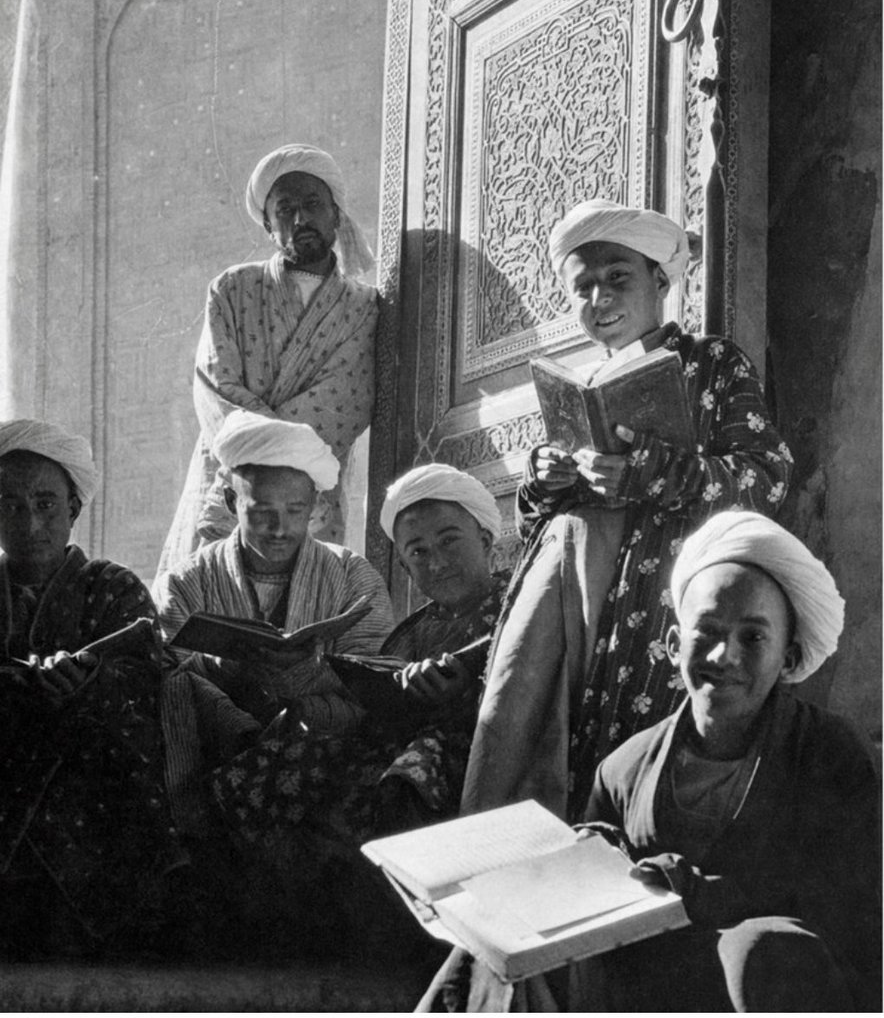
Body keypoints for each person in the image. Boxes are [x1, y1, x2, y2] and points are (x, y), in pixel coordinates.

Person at [420, 511, 880, 1012]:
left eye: (753, 637)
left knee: (764, 948)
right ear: (672, 645)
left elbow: (849, 901)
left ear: (788, 659)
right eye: (706, 631)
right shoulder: (624, 768)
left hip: (763, 980)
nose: (724, 655)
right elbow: (592, 879)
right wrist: (592, 861)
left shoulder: (826, 752)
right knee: (489, 948)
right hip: (646, 981)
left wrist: (694, 890)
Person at [460, 199, 793, 824]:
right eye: (583, 286)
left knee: (634, 767)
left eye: (618, 278)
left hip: (654, 603)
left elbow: (766, 479)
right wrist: (543, 480)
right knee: (547, 754)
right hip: (572, 605)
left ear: (661, 282)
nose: (599, 298)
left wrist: (656, 471)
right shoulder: (574, 391)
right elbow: (537, 532)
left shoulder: (712, 364)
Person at [209, 463, 511, 851]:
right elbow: (375, 701)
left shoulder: (519, 598)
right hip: (388, 744)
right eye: (418, 551)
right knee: (269, 765)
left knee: (406, 778)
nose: (435, 562)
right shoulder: (413, 631)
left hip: (476, 743)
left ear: (485, 540)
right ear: (404, 565)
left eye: (449, 541)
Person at [153, 410, 394, 838]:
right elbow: (165, 684)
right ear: (231, 503)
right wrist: (223, 670)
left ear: (317, 507)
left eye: (295, 510)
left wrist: (304, 687)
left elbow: (379, 688)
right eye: (262, 511)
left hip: (325, 765)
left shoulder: (354, 579)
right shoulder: (186, 582)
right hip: (213, 760)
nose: (279, 528)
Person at [0, 419, 180, 955]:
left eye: (46, 504)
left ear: (75, 509)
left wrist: (89, 682)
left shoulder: (114, 587)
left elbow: (147, 678)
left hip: (92, 769)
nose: (30, 522)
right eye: (9, 504)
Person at [158, 142, 378, 573]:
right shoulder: (231, 289)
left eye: (313, 204)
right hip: (229, 485)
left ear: (336, 213)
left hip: (310, 499)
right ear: (267, 225)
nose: (300, 219)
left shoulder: (364, 307)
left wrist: (272, 470)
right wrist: (251, 475)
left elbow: (345, 400)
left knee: (302, 619)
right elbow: (217, 387)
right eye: (285, 209)